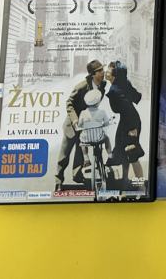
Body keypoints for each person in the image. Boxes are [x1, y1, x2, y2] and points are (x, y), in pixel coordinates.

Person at [55, 60, 106, 190]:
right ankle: (58, 180)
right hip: (73, 124)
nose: (103, 73)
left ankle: (77, 175)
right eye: (100, 71)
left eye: (102, 70)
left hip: (87, 123)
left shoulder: (102, 85)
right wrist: (75, 120)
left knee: (81, 150)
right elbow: (69, 103)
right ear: (93, 74)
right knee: (65, 154)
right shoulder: (81, 86)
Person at [106, 61, 145, 187]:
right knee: (123, 151)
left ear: (115, 74)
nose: (106, 72)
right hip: (129, 120)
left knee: (133, 154)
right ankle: (125, 180)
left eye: (108, 71)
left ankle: (141, 186)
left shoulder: (114, 90)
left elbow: (117, 109)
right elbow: (137, 97)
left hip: (130, 122)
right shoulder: (124, 83)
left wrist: (133, 129)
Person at [76, 89, 112, 190]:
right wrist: (102, 124)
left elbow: (80, 125)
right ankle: (110, 155)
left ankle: (86, 157)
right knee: (107, 138)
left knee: (82, 141)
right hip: (98, 138)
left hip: (87, 139)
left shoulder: (83, 113)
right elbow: (107, 123)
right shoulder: (102, 112)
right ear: (98, 102)